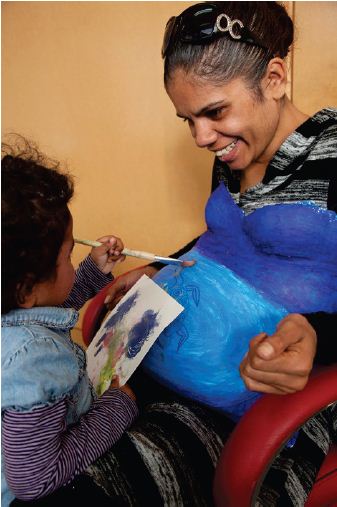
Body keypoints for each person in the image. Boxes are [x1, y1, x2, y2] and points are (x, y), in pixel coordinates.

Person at [101, 2, 337, 504]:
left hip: (232, 416)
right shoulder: (236, 150)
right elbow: (225, 238)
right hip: (143, 379)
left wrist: (321, 333)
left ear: (274, 78)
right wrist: (154, 267)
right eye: (188, 119)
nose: (201, 137)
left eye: (214, 112)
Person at [1, 137, 138, 506]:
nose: (71, 262)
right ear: (26, 289)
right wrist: (117, 407)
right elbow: (36, 478)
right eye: (68, 256)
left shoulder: (14, 309)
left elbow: (46, 309)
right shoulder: (35, 361)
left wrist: (94, 270)